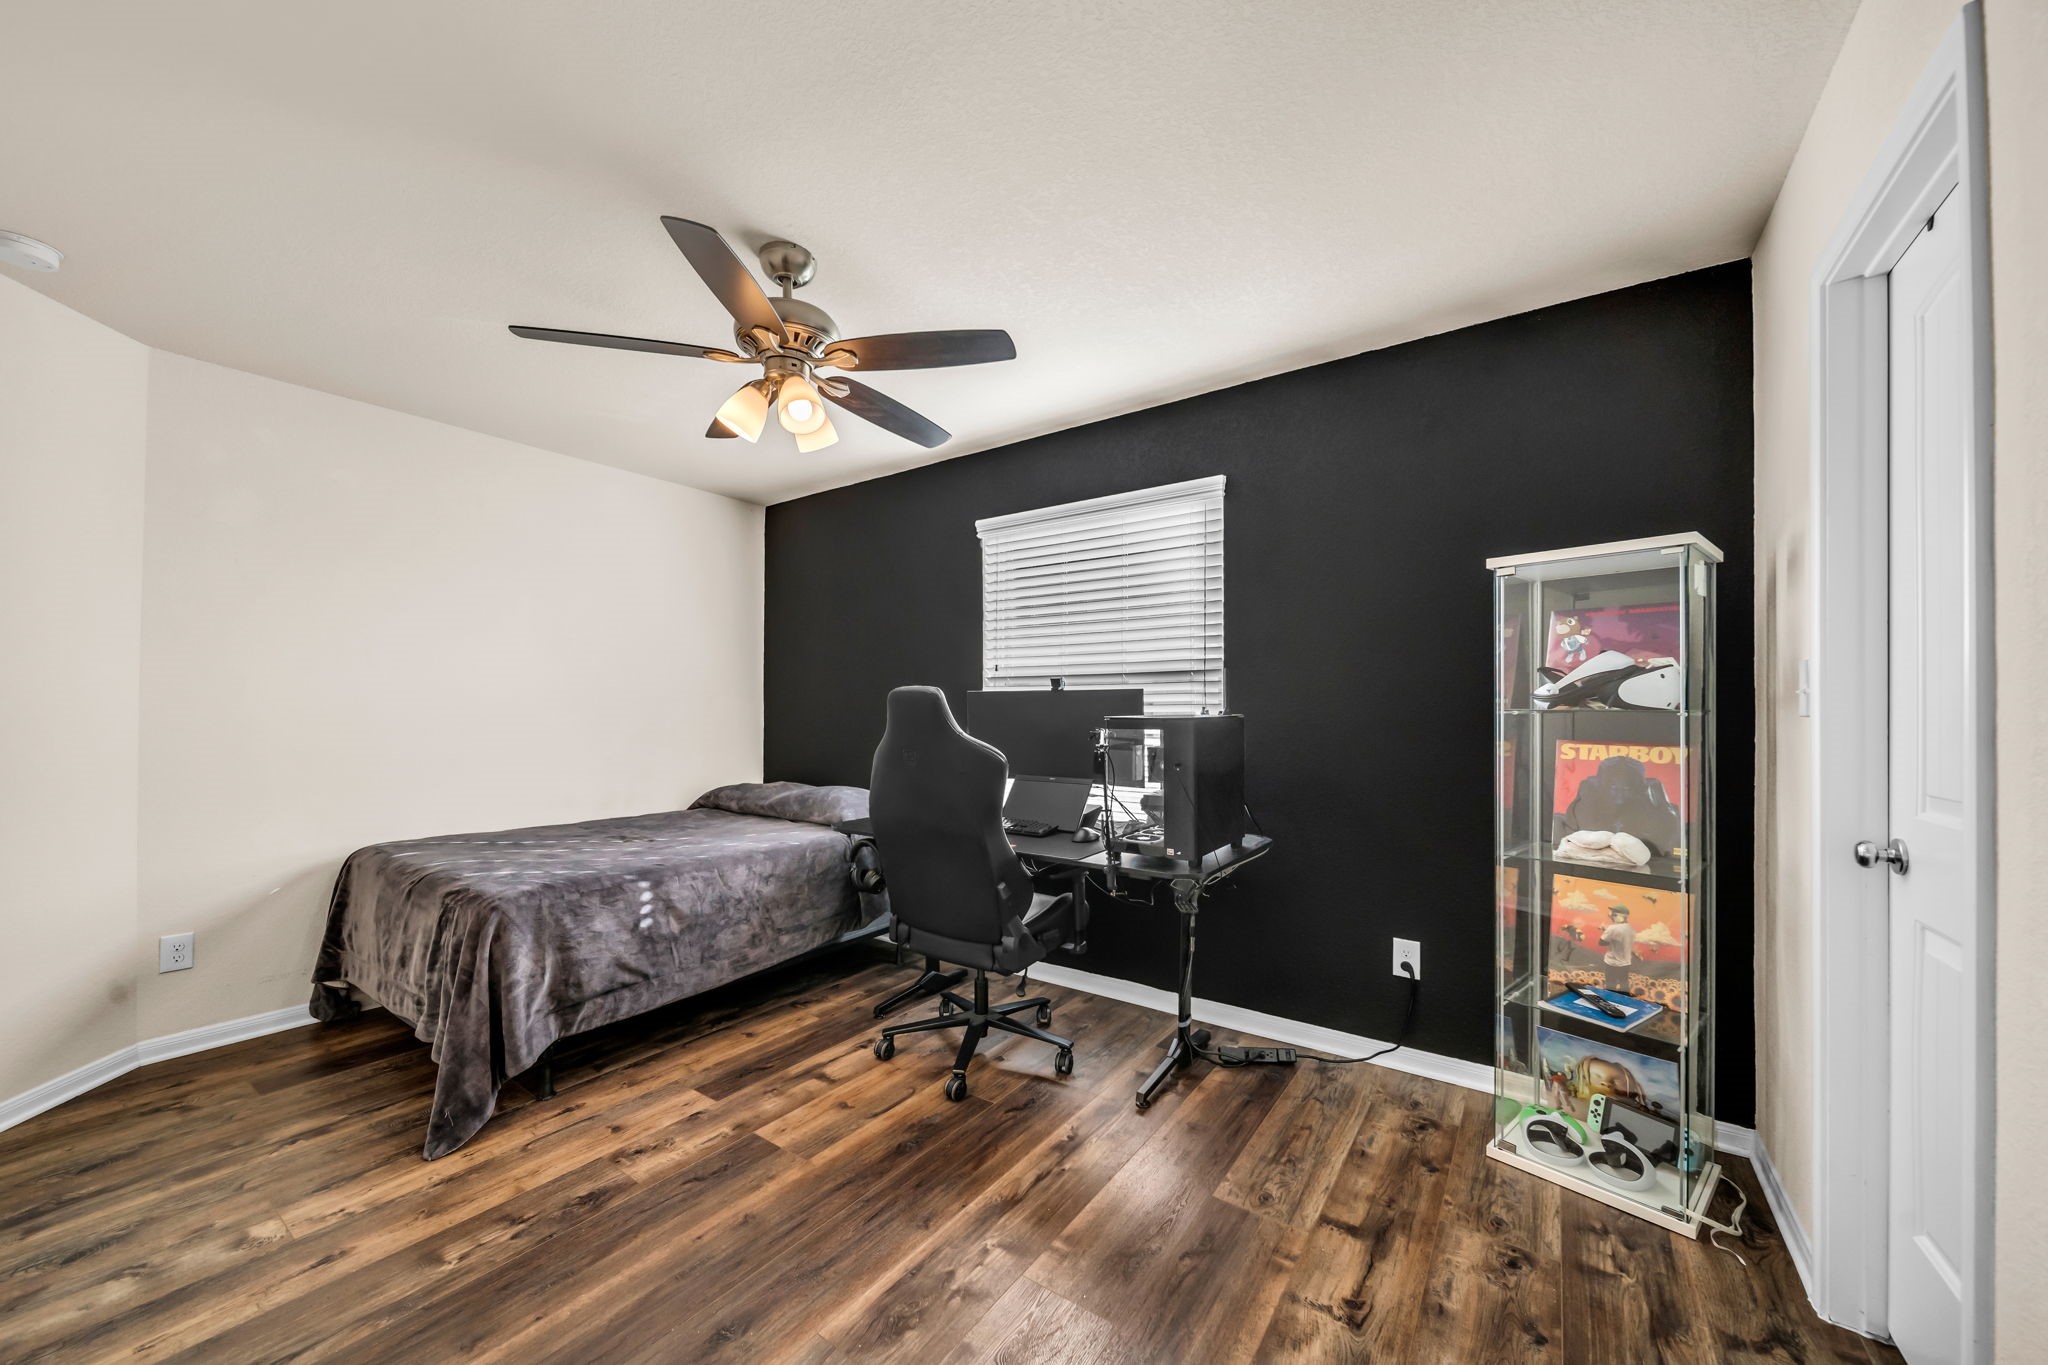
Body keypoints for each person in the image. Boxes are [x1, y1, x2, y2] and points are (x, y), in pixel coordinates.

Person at [1599, 904, 1636, 994]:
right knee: (1624, 984)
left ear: (1618, 916)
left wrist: (1605, 931)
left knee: (1610, 985)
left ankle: (1609, 1003)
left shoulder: (1612, 928)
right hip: (1626, 963)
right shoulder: (1630, 929)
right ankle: (1624, 1003)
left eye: (1613, 914)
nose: (1611, 916)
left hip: (1612, 963)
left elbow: (1601, 942)